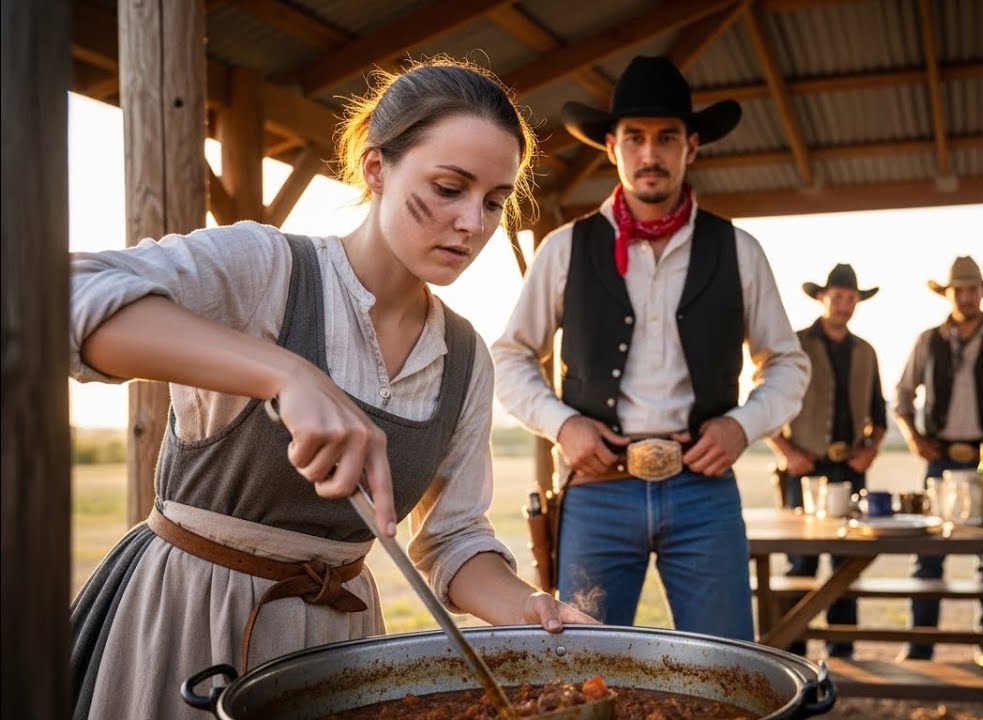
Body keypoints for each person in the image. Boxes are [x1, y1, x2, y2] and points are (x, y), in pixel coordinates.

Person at [68, 58, 596, 720]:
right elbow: (63, 297)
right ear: (376, 168)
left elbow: (454, 540)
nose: (473, 223)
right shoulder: (267, 270)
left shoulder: (464, 359)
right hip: (189, 620)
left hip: (340, 646)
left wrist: (529, 607)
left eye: (493, 201)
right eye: (449, 187)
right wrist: (284, 371)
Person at [491, 55, 810, 641]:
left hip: (703, 491)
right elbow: (510, 355)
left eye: (666, 138)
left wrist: (742, 426)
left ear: (692, 146)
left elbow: (787, 363)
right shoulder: (565, 249)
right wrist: (563, 426)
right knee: (585, 660)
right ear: (611, 146)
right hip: (598, 488)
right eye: (634, 137)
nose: (649, 153)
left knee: (725, 662)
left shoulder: (739, 249)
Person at [894, 256, 983, 666]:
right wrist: (914, 438)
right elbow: (902, 395)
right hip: (940, 459)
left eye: (973, 289)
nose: (966, 296)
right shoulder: (927, 340)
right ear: (949, 294)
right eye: (959, 289)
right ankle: (921, 648)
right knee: (928, 556)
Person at [766, 263, 887, 660]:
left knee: (846, 565)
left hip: (848, 468)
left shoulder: (866, 351)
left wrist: (870, 449)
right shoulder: (793, 345)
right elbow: (765, 406)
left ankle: (842, 653)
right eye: (837, 296)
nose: (845, 304)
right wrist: (788, 453)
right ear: (822, 298)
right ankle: (791, 651)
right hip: (803, 469)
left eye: (851, 298)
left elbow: (879, 415)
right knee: (800, 563)